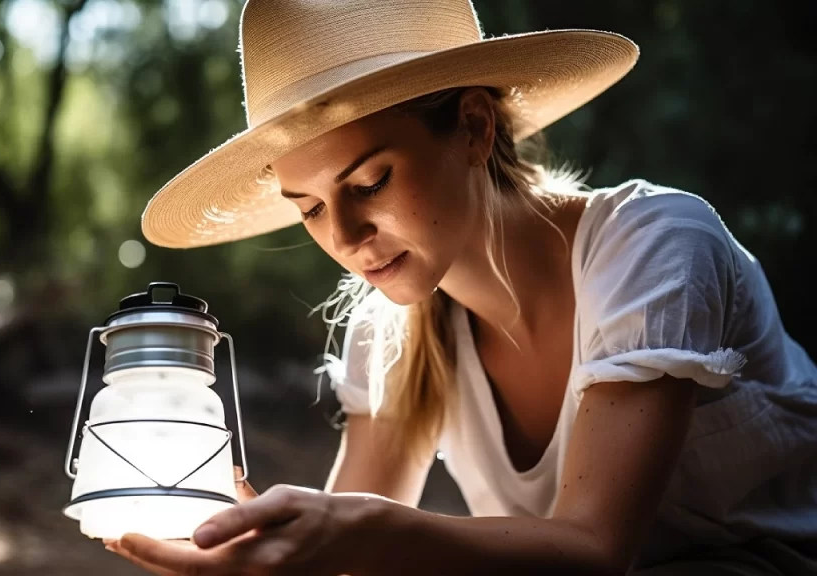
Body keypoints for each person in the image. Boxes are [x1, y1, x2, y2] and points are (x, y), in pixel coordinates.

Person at [108, 0, 817, 574]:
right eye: (313, 209)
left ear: (475, 127)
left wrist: (361, 528)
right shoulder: (389, 334)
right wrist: (269, 545)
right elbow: (339, 557)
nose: (347, 238)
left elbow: (595, 550)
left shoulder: (655, 244)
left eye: (369, 181)